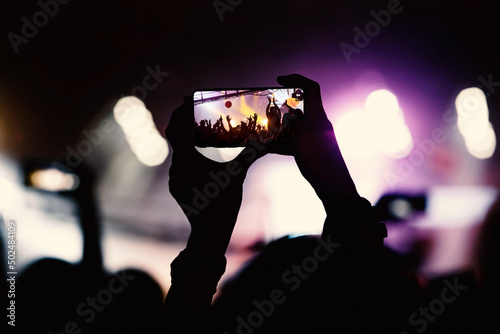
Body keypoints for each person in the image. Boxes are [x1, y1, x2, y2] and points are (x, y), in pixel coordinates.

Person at [163, 74, 425, 333]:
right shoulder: (378, 311)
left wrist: (207, 239)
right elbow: (382, 299)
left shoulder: (247, 298)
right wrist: (341, 193)